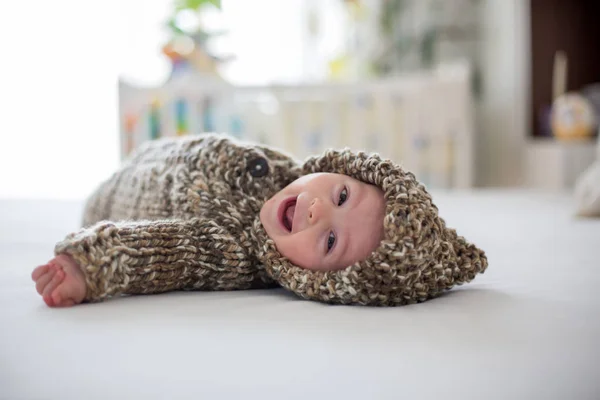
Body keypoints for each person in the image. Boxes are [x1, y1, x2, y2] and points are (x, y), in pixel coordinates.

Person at [31, 133, 488, 307]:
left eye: (329, 241)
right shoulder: (285, 170)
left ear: (315, 281)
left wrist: (88, 265)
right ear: (344, 168)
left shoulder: (237, 251)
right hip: (151, 153)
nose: (316, 209)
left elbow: (159, 251)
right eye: (341, 194)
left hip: (111, 203)